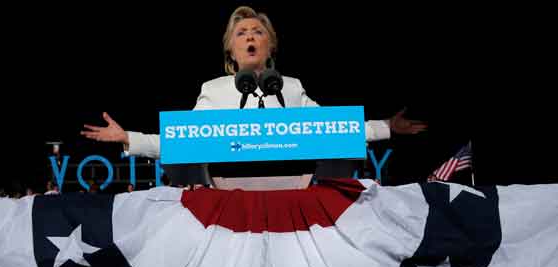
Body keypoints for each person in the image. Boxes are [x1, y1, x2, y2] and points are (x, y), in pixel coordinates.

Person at [81, 6, 427, 181]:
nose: (250, 36)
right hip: (229, 199)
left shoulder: (291, 88)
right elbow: (182, 140)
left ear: (270, 44)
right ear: (231, 50)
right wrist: (129, 137)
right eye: (242, 32)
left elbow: (334, 129)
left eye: (258, 31)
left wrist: (386, 127)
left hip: (293, 195)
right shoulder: (213, 91)